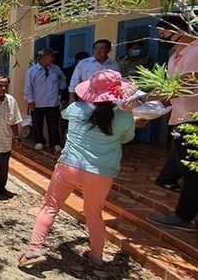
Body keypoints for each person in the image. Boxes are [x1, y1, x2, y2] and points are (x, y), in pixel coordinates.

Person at [18, 69, 137, 268]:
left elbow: (66, 114)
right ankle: (97, 257)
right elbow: (127, 138)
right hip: (101, 172)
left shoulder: (76, 109)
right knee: (94, 213)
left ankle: (34, 250)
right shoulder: (124, 118)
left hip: (70, 166)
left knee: (50, 206)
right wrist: (127, 111)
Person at [147, 15, 198, 232]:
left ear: (180, 30)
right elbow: (169, 93)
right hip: (180, 118)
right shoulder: (174, 57)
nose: (162, 37)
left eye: (164, 32)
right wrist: (145, 111)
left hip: (194, 120)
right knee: (187, 170)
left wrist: (142, 98)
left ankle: (183, 216)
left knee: (191, 172)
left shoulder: (195, 52)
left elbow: (184, 85)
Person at [24, 48, 67, 152]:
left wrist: (61, 88)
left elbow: (63, 79)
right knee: (37, 123)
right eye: (50, 56)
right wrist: (30, 101)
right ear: (43, 58)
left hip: (53, 102)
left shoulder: (55, 69)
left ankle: (55, 142)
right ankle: (39, 141)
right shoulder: (32, 71)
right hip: (38, 102)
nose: (53, 58)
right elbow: (28, 87)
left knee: (53, 123)